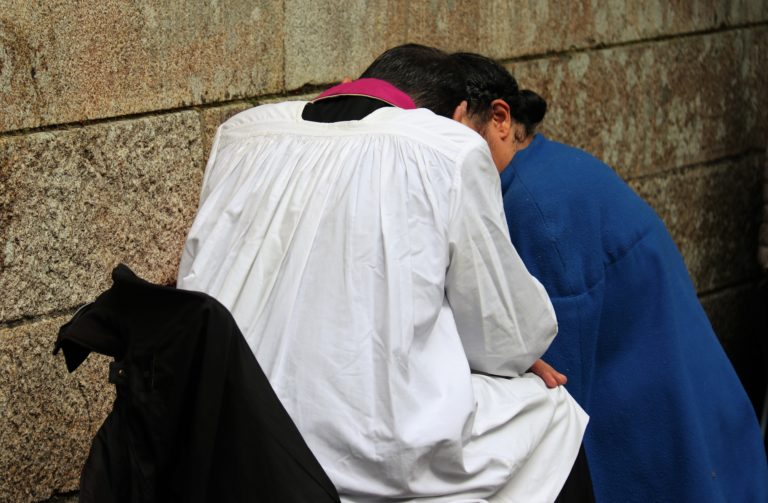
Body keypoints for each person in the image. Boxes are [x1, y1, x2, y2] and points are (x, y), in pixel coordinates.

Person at [177, 44, 587, 502]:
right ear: (457, 115)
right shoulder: (446, 147)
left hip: (220, 428)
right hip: (352, 449)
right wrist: (511, 347)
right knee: (552, 413)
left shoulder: (243, 133)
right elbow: (507, 335)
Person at [449, 51, 768, 502]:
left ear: (500, 119)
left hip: (659, 446)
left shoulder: (536, 207)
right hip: (693, 427)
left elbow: (554, 387)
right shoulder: (544, 171)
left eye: (447, 134)